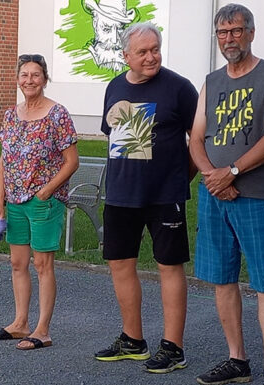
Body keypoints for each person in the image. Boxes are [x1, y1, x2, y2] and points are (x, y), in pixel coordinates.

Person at [189, 4, 264, 385]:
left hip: (257, 195)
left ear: (250, 32)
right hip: (215, 196)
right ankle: (237, 360)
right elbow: (196, 138)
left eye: (235, 31)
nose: (229, 39)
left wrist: (231, 172)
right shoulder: (211, 82)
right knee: (222, 279)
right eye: (222, 33)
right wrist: (212, 177)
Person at [92, 23, 197, 374]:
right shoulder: (115, 86)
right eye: (143, 51)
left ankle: (173, 347)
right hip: (121, 195)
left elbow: (199, 141)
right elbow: (116, 139)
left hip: (164, 196)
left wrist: (182, 178)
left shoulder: (179, 88)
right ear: (125, 56)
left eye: (155, 49)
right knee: (120, 265)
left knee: (169, 267)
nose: (151, 56)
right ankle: (133, 340)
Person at [0, 54, 78, 350]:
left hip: (43, 201)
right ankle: (20, 323)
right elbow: (4, 162)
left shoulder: (57, 114)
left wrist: (46, 190)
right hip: (13, 201)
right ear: (18, 78)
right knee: (17, 263)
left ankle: (42, 330)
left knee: (42, 264)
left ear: (45, 79)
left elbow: (71, 161)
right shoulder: (11, 115)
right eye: (24, 75)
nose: (29, 80)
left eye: (35, 75)